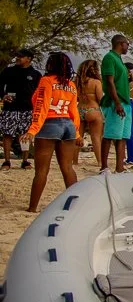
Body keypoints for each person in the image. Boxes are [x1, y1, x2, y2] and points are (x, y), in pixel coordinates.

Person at [21, 53, 82, 212]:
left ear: (50, 65)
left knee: (41, 171)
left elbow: (41, 106)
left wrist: (33, 129)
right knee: (68, 168)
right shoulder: (71, 85)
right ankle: (76, 206)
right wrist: (77, 133)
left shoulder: (46, 81)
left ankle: (32, 208)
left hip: (49, 124)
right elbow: (73, 111)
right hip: (68, 125)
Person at [0, 48, 42, 171]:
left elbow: (40, 92)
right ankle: (6, 161)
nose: (18, 58)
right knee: (7, 134)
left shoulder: (35, 74)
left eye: (21, 56)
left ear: (29, 59)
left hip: (27, 109)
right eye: (17, 56)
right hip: (10, 109)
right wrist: (3, 95)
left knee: (25, 135)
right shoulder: (8, 71)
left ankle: (25, 161)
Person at [99, 35, 131, 172]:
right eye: (127, 44)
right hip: (115, 101)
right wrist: (117, 103)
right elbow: (110, 81)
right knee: (110, 134)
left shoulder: (119, 60)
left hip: (125, 101)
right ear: (120, 44)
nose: (128, 47)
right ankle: (104, 166)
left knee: (123, 136)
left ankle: (120, 167)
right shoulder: (109, 58)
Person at [72, 59, 103, 165]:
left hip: (79, 109)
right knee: (96, 137)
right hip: (93, 110)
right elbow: (100, 99)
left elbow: (74, 98)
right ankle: (99, 161)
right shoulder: (96, 82)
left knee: (78, 137)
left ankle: (74, 161)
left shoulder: (76, 82)